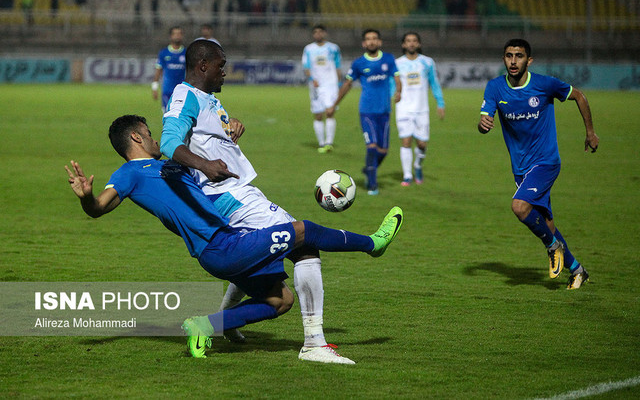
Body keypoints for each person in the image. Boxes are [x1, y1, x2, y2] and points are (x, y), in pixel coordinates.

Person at [65, 115, 404, 362]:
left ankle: (206, 325)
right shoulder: (128, 174)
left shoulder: (173, 165)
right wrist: (85, 197)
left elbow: (214, 176)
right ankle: (373, 244)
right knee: (303, 232)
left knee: (280, 301)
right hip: (221, 247)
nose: (157, 140)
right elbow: (98, 208)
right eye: (151, 135)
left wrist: (229, 138)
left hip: (227, 241)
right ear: (137, 138)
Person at [160, 39, 396, 364]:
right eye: (220, 65)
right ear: (203, 66)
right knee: (304, 241)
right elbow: (169, 142)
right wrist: (205, 165)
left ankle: (217, 323)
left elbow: (205, 132)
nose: (225, 72)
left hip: (231, 195)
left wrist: (231, 128)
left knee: (280, 298)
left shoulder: (206, 99)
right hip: (230, 197)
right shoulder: (185, 96)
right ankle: (320, 333)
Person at [477, 38, 599, 290]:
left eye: (519, 56)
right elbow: (484, 119)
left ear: (528, 61)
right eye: (509, 55)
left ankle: (552, 247)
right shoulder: (495, 87)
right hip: (521, 168)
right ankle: (578, 270)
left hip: (546, 162)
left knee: (520, 207)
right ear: (504, 59)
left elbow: (579, 96)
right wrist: (483, 125)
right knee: (546, 222)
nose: (513, 61)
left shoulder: (544, 84)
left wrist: (590, 132)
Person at [327, 29, 402, 195]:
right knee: (372, 147)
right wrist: (334, 104)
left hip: (384, 111)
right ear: (364, 43)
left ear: (379, 42)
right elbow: (347, 84)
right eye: (368, 39)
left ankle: (369, 169)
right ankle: (372, 185)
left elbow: (397, 77)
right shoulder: (358, 63)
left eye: (374, 38)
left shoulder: (388, 59)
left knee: (383, 151)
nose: (371, 42)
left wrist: (399, 91)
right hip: (367, 111)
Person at [394, 32, 445, 186]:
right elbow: (393, 83)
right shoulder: (397, 63)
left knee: (422, 144)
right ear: (403, 44)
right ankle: (407, 175)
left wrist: (440, 103)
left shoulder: (427, 62)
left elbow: (434, 83)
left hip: (422, 109)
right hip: (403, 108)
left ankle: (417, 165)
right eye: (408, 41)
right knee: (406, 141)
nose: (411, 44)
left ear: (419, 44)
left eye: (414, 41)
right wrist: (394, 94)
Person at [301, 24, 342, 153]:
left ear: (324, 33)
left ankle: (329, 143)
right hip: (316, 85)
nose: (318, 34)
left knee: (330, 112)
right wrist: (312, 79)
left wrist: (339, 83)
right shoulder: (308, 49)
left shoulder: (333, 48)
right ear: (313, 35)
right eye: (316, 32)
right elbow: (306, 67)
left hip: (331, 84)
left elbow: (338, 66)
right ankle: (321, 142)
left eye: (320, 32)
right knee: (318, 114)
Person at [152, 26, 186, 112]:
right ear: (171, 36)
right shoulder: (164, 53)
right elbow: (158, 71)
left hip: (182, 91)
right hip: (167, 91)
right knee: (167, 115)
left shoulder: (186, 53)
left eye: (179, 34)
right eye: (175, 34)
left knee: (182, 117)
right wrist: (154, 88)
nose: (177, 36)